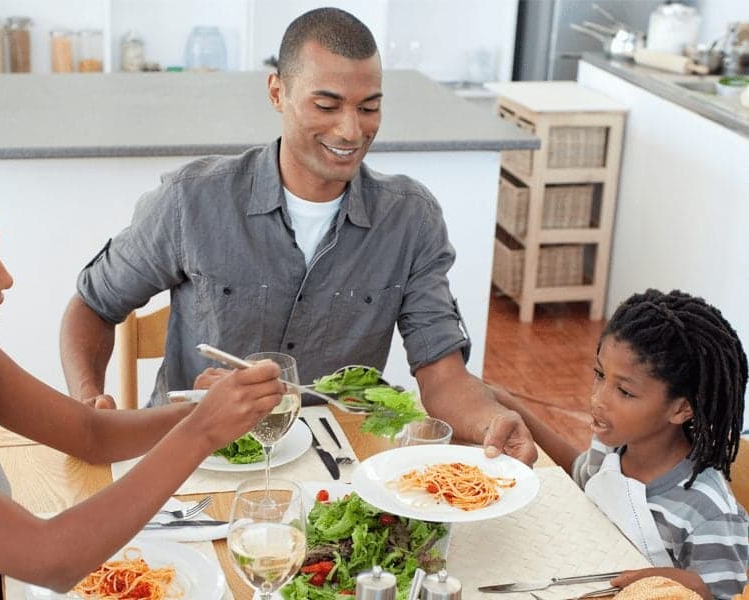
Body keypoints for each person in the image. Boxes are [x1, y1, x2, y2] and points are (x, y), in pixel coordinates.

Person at [59, 6, 537, 465]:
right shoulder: (193, 200)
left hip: (334, 459)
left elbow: (443, 376)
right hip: (192, 456)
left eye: (369, 108)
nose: (351, 131)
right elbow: (93, 305)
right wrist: (87, 400)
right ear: (276, 92)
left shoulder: (410, 220)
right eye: (326, 105)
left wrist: (492, 421)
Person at [0, 160, 284, 598]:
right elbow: (51, 560)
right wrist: (201, 430)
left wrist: (200, 409)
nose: (6, 280)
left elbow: (91, 434)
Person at [493, 289, 748, 600]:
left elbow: (728, 595)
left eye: (625, 392)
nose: (597, 400)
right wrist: (510, 405)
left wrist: (682, 584)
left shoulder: (707, 514)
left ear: (681, 409)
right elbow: (580, 477)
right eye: (600, 374)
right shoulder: (611, 445)